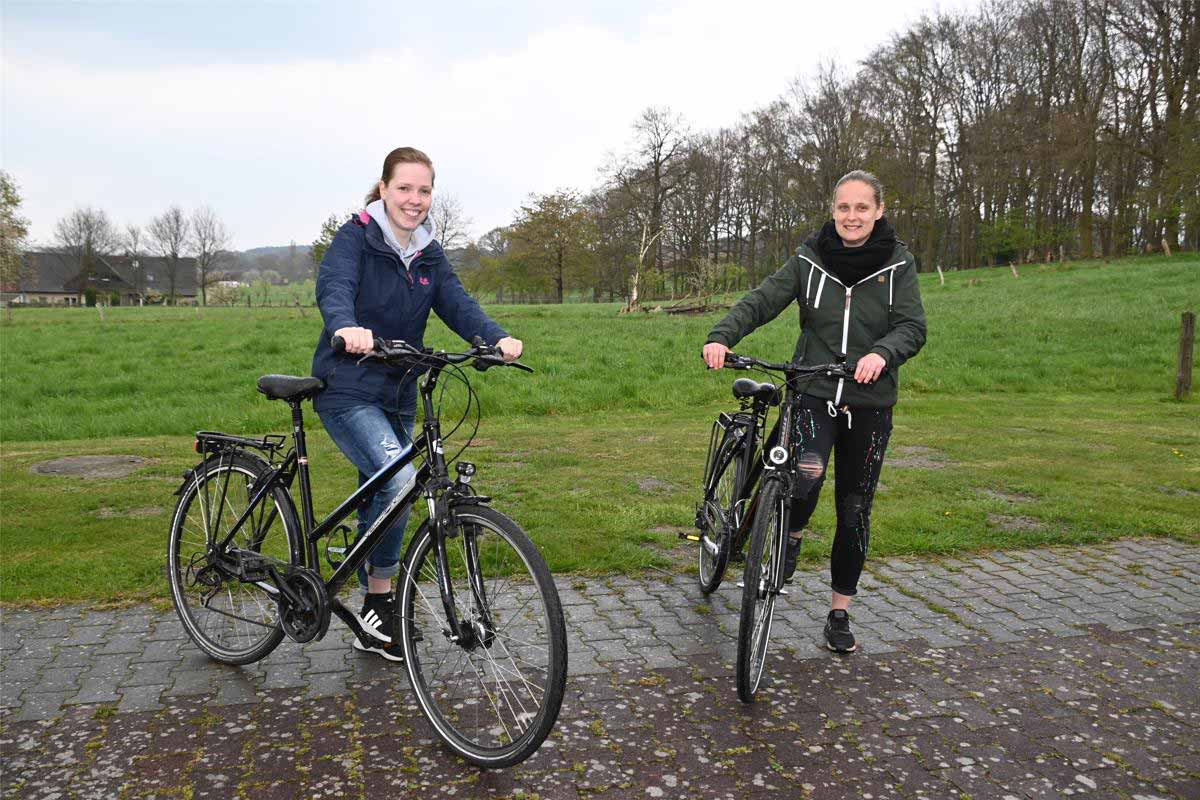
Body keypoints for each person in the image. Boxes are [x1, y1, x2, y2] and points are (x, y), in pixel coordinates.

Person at [311, 146, 522, 661]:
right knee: (400, 478)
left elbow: (456, 302)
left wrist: (494, 338)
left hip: (401, 389)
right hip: (349, 386)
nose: (414, 199)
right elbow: (333, 285)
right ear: (383, 188)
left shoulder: (429, 252)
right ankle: (377, 602)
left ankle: (372, 600)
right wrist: (345, 327)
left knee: (393, 487)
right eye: (404, 188)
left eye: (424, 190)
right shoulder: (356, 237)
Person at [703, 170, 926, 654]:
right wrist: (722, 335)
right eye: (844, 207)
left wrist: (883, 353)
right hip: (814, 388)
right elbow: (763, 300)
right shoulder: (809, 258)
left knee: (854, 509)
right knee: (804, 477)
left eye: (862, 208)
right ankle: (790, 535)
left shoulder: (898, 265)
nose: (852, 216)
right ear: (833, 211)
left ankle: (839, 612)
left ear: (878, 211)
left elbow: (912, 326)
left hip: (869, 401)